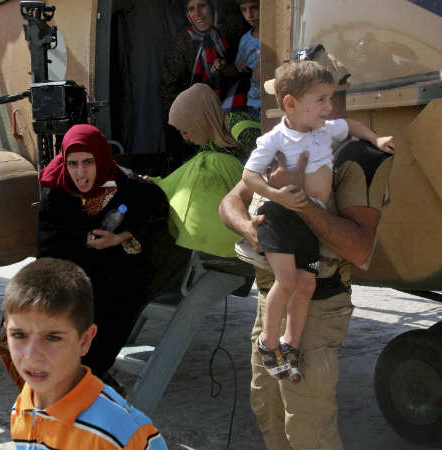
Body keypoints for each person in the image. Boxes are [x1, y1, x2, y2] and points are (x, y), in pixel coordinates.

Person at [218, 50, 394, 449]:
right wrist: (251, 230)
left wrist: (297, 202)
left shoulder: (358, 156)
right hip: (270, 301)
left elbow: (358, 248)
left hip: (317, 307)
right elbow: (230, 202)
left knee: (308, 430)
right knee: (269, 414)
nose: (325, 105)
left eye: (327, 97)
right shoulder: (282, 140)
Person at [33, 124, 177, 379]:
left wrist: (120, 237)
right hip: (72, 277)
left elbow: (155, 215)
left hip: (117, 278)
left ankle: (92, 379)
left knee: (101, 336)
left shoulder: (127, 186)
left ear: (100, 158)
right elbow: (49, 248)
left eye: (88, 162)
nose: (80, 173)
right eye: (73, 163)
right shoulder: (57, 189)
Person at [4, 257, 169, 450]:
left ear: (84, 341)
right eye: (19, 335)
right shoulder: (22, 407)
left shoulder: (120, 431)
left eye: (53, 337)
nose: (32, 355)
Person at [152, 83, 260, 258]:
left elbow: (269, 163)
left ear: (199, 120)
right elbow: (185, 172)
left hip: (264, 194)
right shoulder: (212, 141)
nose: (185, 138)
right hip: (245, 194)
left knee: (209, 160)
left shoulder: (240, 128)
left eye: (185, 131)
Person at [234, 0, 261, 119]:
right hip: (254, 103)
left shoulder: (275, 35)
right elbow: (239, 67)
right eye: (244, 10)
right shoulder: (245, 40)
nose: (249, 15)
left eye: (254, 8)